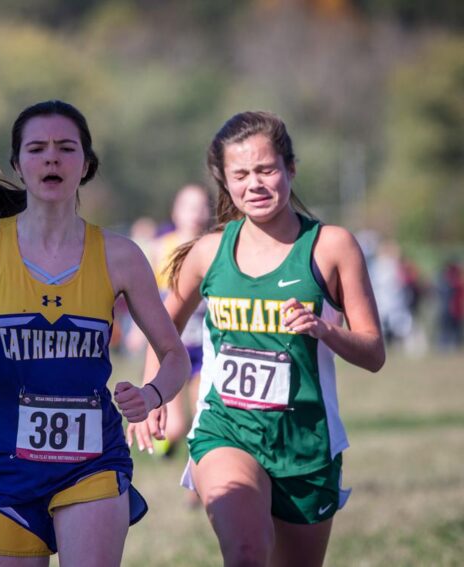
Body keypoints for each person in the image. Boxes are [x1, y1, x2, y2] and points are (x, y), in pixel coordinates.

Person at [0, 100, 190, 566]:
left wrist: (151, 397)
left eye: (66, 148)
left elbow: (175, 355)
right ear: (18, 164)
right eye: (37, 148)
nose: (52, 158)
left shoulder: (121, 255)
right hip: (3, 465)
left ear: (86, 164)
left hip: (92, 461)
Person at [128, 111, 385, 567]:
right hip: (225, 430)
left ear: (290, 169)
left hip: (306, 443)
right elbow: (160, 328)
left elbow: (373, 352)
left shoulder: (332, 246)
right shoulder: (208, 252)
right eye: (240, 174)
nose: (255, 184)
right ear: (224, 183)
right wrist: (154, 394)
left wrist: (326, 329)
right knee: (246, 553)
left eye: (266, 170)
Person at [148, 184, 211, 463]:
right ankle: (164, 443)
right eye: (188, 206)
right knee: (176, 427)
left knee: (206, 417)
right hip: (172, 347)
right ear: (175, 211)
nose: (195, 213)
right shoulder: (161, 248)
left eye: (201, 206)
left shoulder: (214, 247)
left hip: (205, 348)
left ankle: (200, 475)